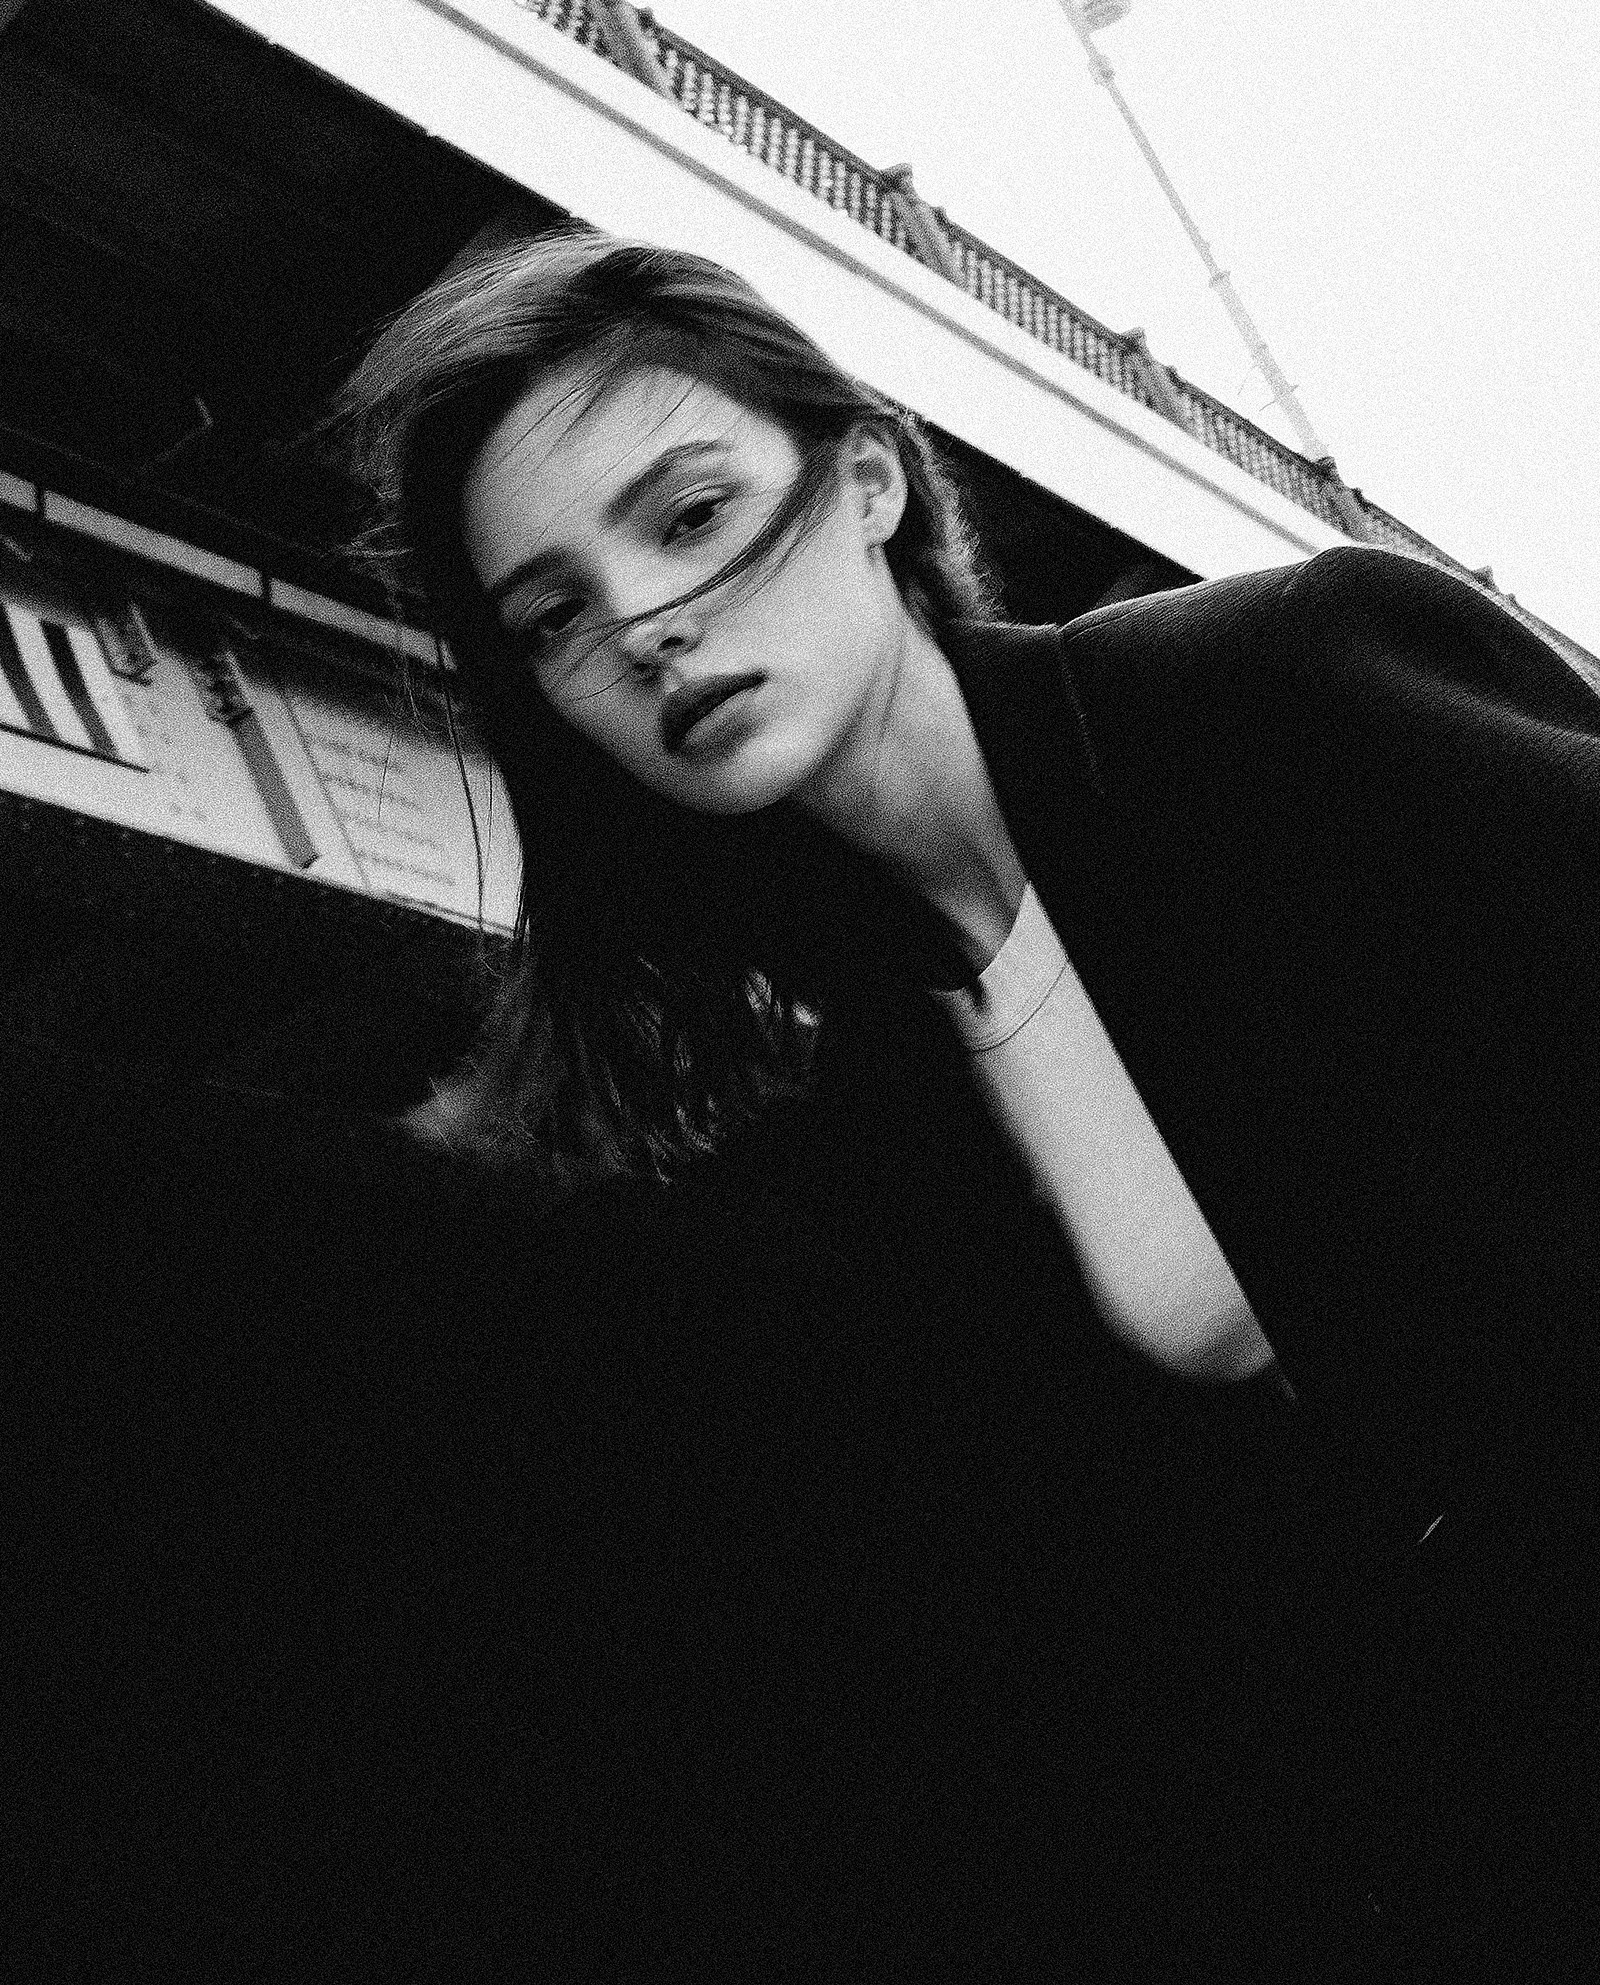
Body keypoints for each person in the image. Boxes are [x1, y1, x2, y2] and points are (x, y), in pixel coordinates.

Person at [338, 228, 1600, 1972]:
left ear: (867, 481)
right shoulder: (869, 1104)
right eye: (552, 618)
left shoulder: (1277, 690)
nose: (641, 627)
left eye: (689, 516)